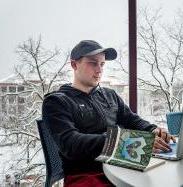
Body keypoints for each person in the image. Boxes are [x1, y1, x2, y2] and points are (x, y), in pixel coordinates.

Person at [42, 40, 175, 187]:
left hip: (123, 165)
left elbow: (131, 119)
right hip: (86, 175)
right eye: (93, 63)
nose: (99, 70)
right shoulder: (56, 102)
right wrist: (122, 142)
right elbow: (71, 143)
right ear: (74, 65)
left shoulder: (109, 94)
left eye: (102, 64)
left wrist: (152, 129)